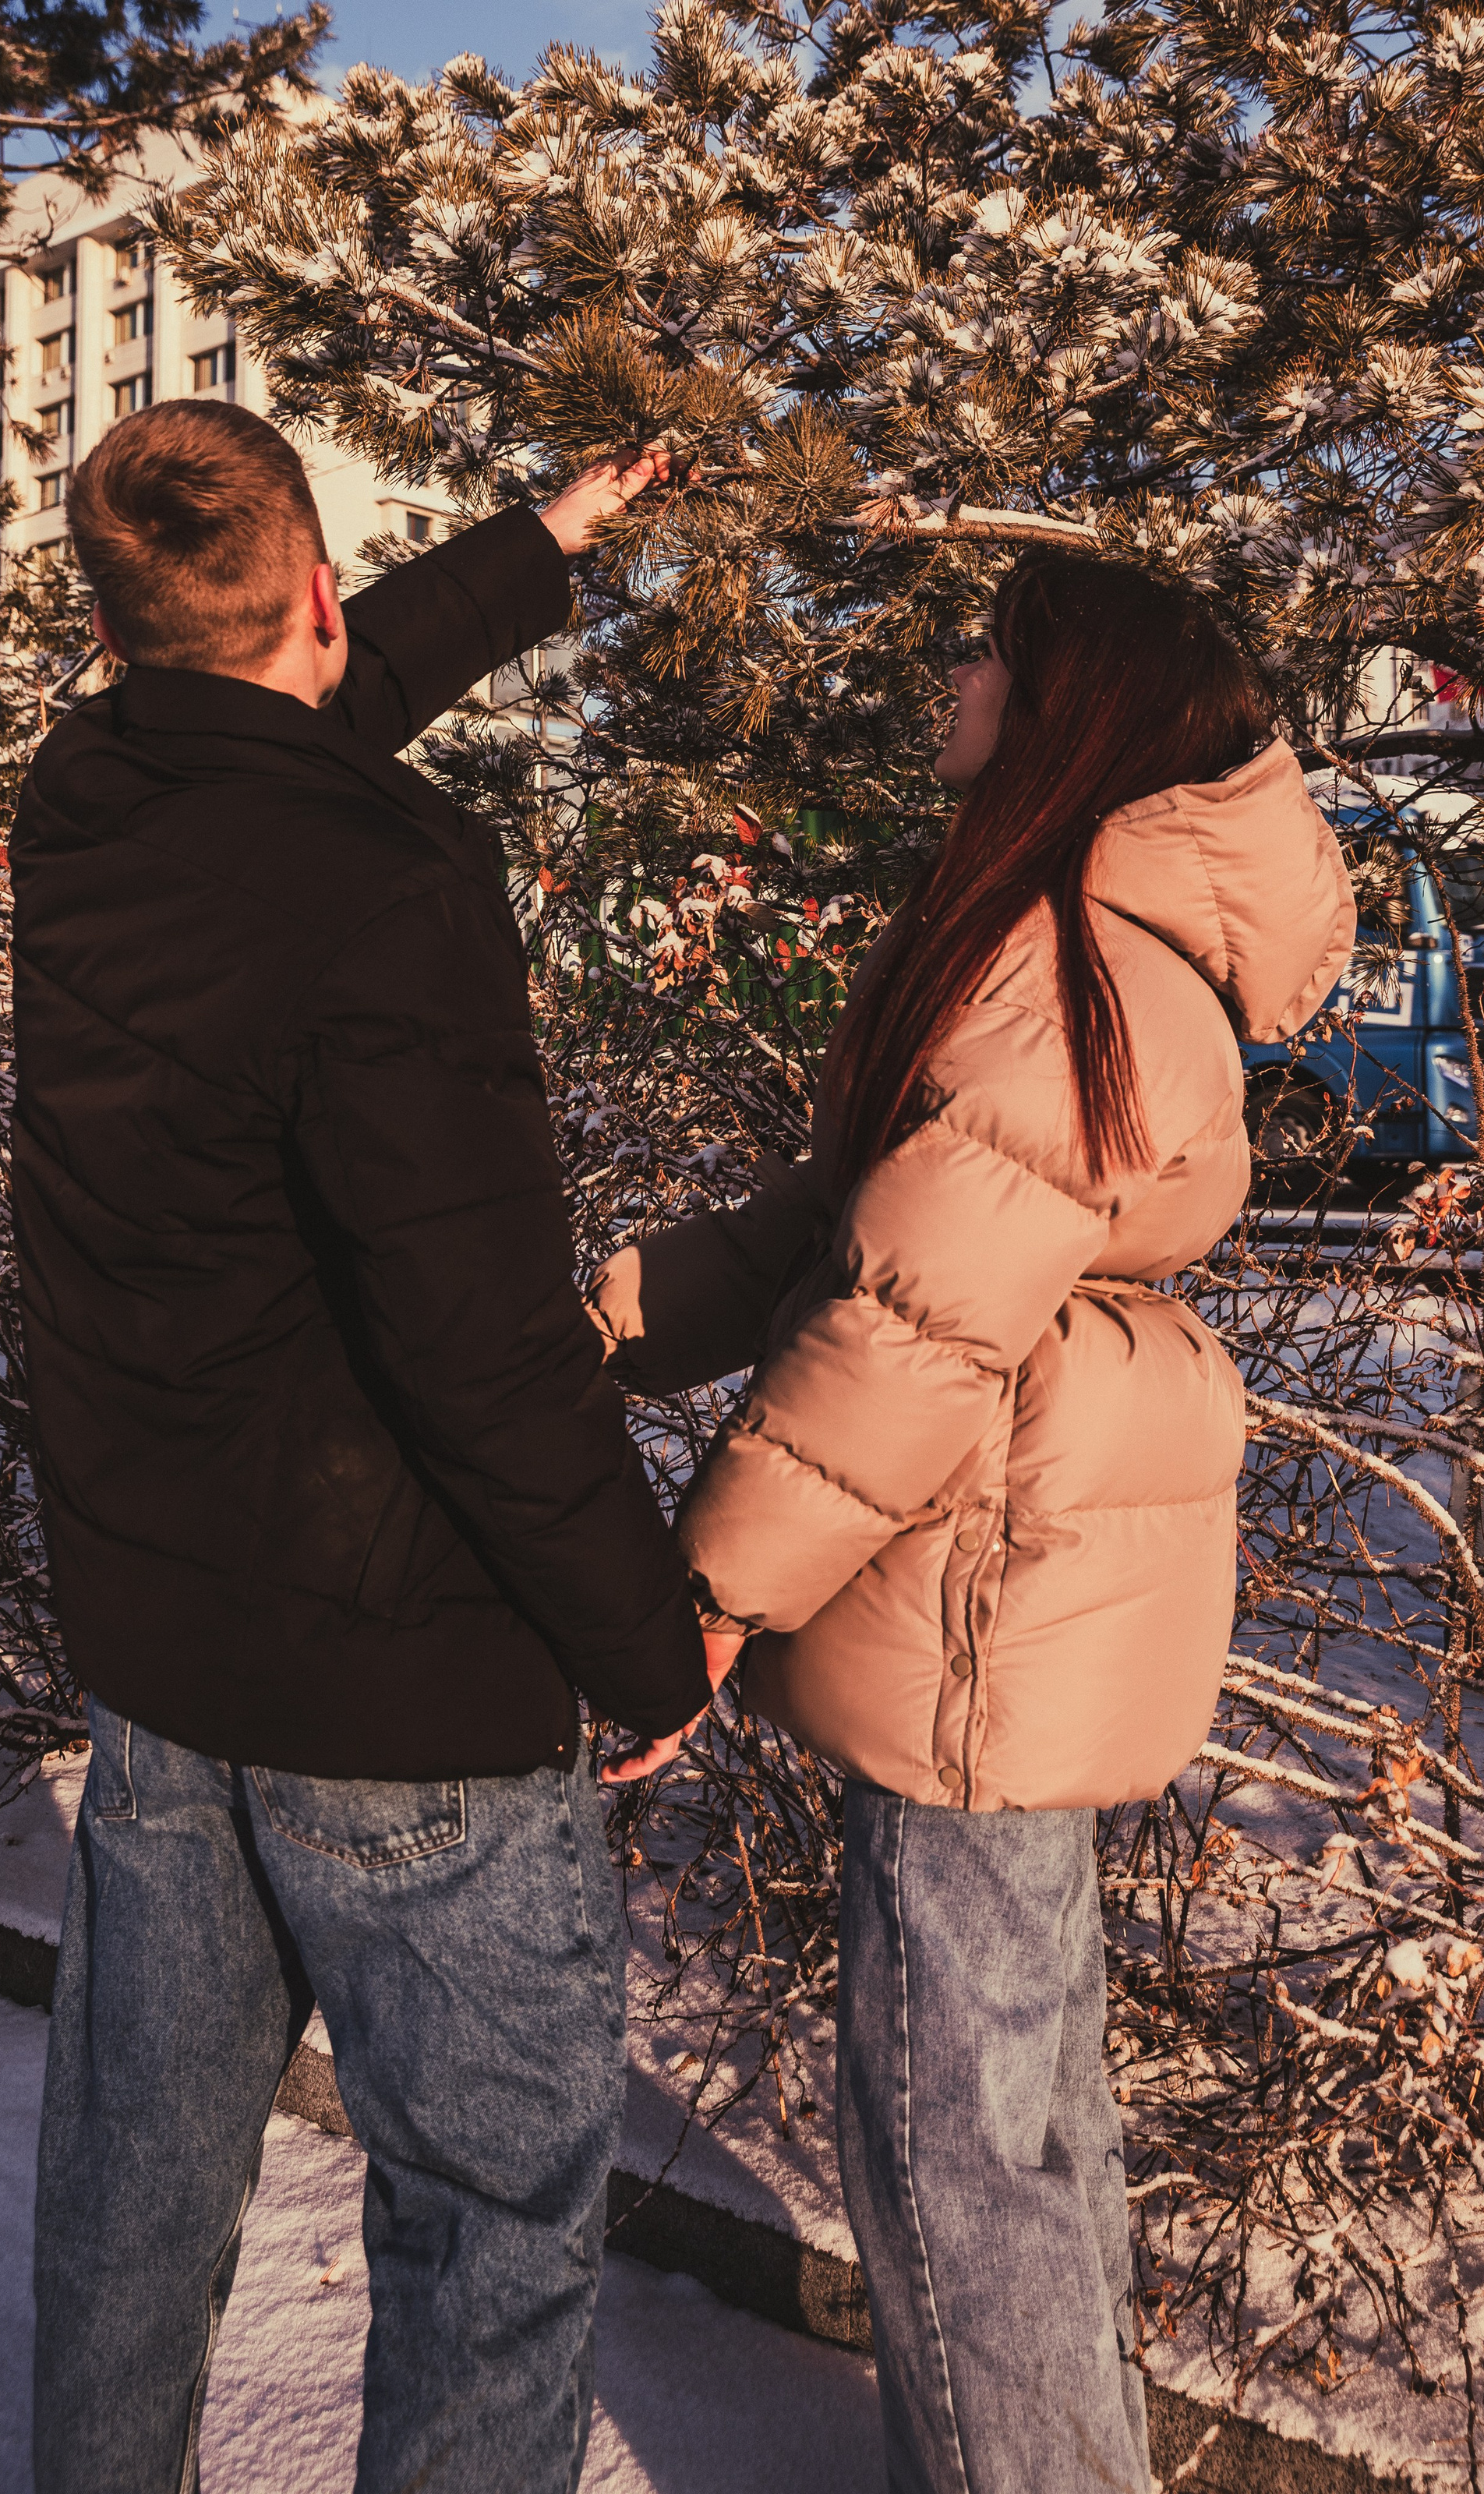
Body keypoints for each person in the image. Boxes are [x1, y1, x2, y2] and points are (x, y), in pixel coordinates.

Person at [16, 398, 729, 2494]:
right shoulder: (387, 875)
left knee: (132, 2204)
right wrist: (642, 1648)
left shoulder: (89, 799)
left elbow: (284, 713)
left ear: (116, 623)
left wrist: (542, 541)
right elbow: (485, 1346)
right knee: (488, 2238)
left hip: (166, 1667)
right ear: (315, 587)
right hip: (400, 1689)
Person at [594, 553, 1356, 2492]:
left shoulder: (1058, 969)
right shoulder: (1064, 944)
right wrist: (605, 1319)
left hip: (977, 1598)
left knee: (956, 2138)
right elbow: (863, 1226)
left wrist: (709, 1589)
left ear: (1063, 707)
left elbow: (910, 1331)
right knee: (1018, 2112)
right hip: (1005, 1580)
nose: (952, 673)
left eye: (985, 654)